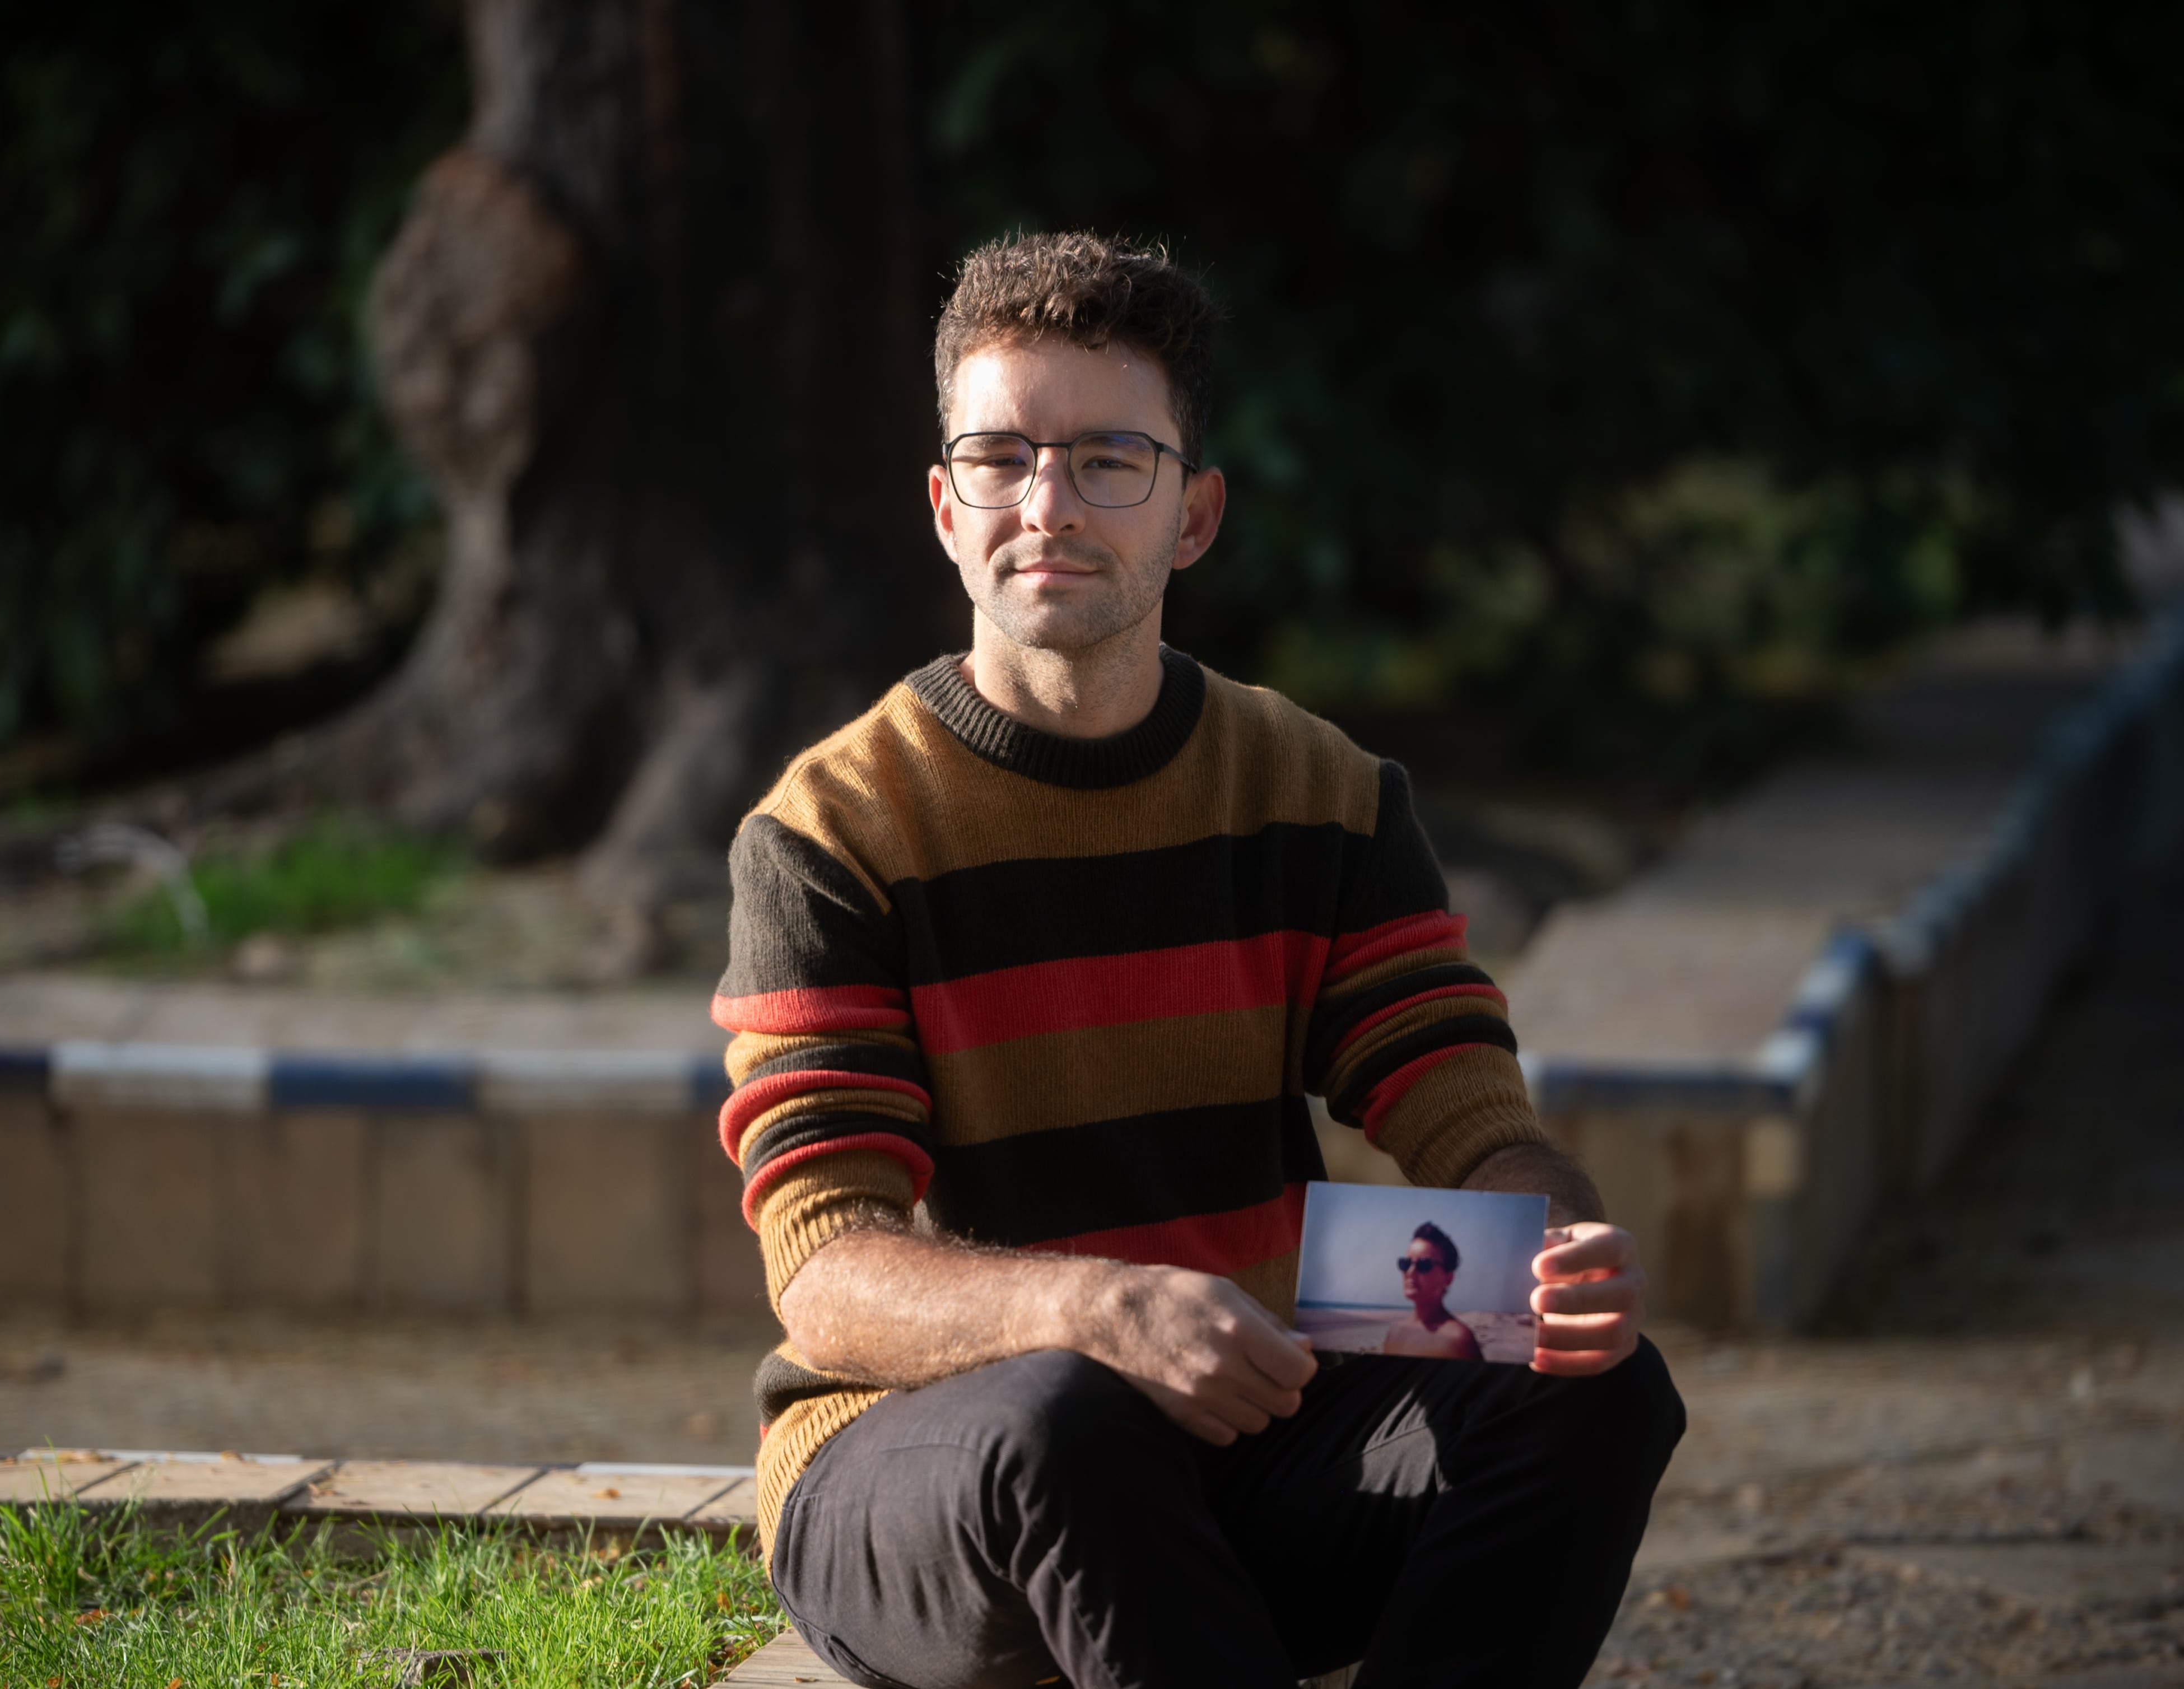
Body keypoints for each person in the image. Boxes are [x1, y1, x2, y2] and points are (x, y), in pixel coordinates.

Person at [711, 231, 1685, 1689]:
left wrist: (1548, 1247)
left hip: (1244, 1440)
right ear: (942, 504)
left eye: (1110, 460)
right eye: (1000, 457)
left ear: (1195, 515)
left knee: (1599, 1396)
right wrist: (1091, 1309)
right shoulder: (830, 833)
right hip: (912, 1480)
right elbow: (827, 1275)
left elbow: (1471, 1123)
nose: (1048, 504)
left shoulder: (1323, 791)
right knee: (1067, 1413)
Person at [1382, 1222, 1482, 1361]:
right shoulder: (1395, 1332)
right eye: (1405, 1264)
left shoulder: (1458, 1341)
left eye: (1424, 1265)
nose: (1411, 1272)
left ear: (1448, 1277)